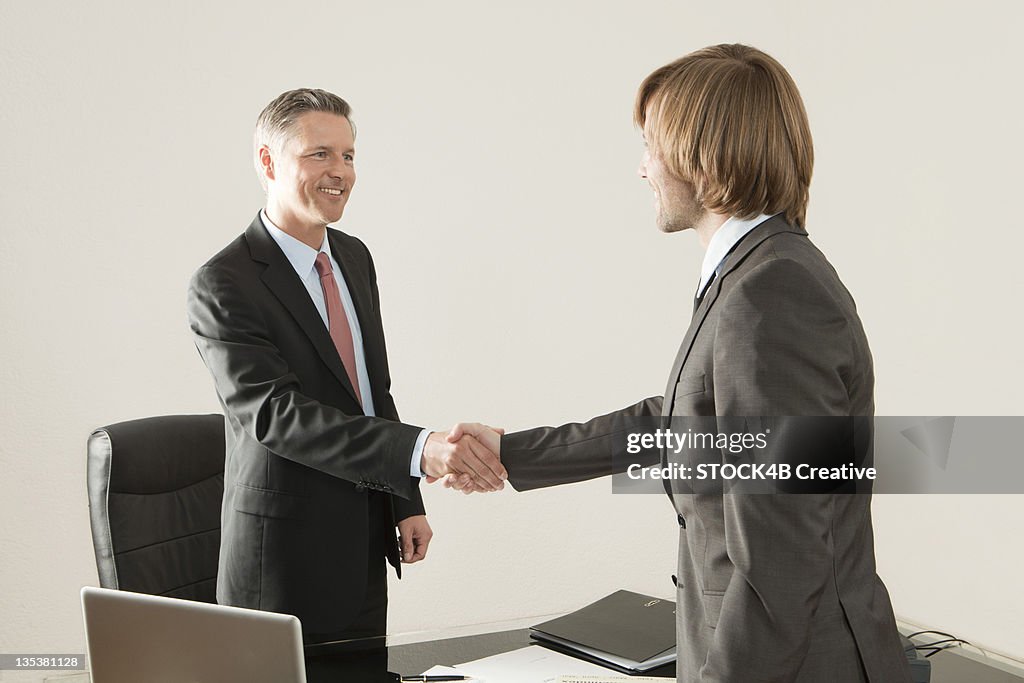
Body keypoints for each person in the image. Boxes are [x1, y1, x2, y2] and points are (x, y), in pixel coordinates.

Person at [444, 45, 912, 682]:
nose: (642, 169)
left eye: (651, 144)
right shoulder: (753, 274)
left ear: (705, 153)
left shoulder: (771, 292)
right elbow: (682, 425)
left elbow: (782, 555)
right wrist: (515, 450)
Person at [186, 88, 506, 644]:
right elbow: (276, 416)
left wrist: (404, 498)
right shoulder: (223, 283)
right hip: (283, 562)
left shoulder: (353, 257)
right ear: (268, 161)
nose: (341, 172)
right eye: (320, 154)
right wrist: (420, 450)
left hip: (364, 541)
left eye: (349, 155)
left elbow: (371, 392)